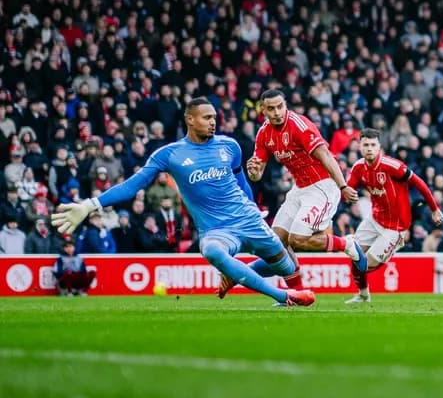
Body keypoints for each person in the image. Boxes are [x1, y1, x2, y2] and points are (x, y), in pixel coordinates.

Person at [52, 97, 315, 307]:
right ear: (190, 119)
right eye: (206, 117)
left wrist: (254, 209)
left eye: (214, 117)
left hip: (249, 219)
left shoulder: (230, 146)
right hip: (217, 230)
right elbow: (134, 185)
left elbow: (241, 182)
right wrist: (89, 205)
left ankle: (235, 275)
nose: (213, 122)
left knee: (286, 265)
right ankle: (284, 297)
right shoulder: (170, 154)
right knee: (211, 250)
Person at [224, 89, 361, 297]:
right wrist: (253, 171)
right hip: (299, 189)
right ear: (263, 110)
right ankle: (297, 294)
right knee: (275, 245)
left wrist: (342, 186)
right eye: (271, 108)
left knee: (297, 239)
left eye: (280, 106)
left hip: (323, 186)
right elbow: (256, 174)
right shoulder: (264, 133)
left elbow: (324, 154)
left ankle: (346, 243)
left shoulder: (299, 125)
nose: (277, 112)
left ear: (285, 105)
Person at [342, 128, 443, 303]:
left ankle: (390, 248)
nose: (369, 148)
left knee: (363, 263)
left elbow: (418, 182)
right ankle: (363, 294)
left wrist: (434, 208)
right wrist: (346, 193)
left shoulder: (392, 166)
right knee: (354, 254)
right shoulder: (358, 167)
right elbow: (348, 190)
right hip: (374, 219)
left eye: (373, 145)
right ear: (360, 147)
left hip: (395, 227)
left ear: (379, 147)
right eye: (366, 145)